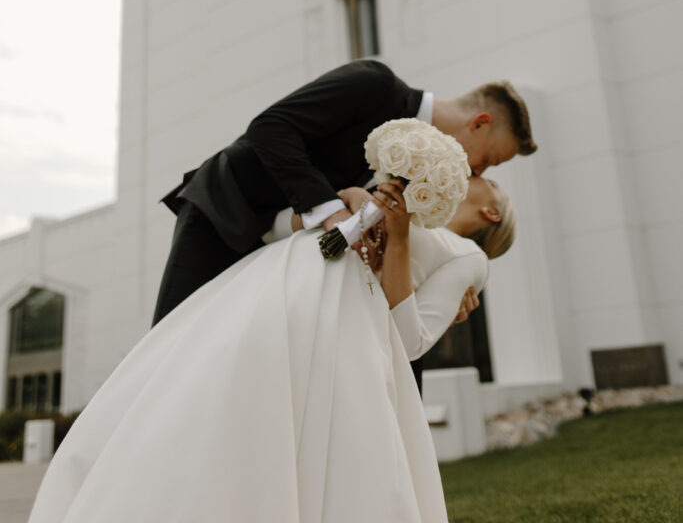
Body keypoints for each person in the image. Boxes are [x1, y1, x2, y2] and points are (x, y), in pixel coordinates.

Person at [28, 172, 516, 523]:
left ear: (491, 210)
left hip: (333, 321)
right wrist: (351, 204)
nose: (475, 174)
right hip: (272, 286)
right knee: (203, 400)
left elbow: (409, 340)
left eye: (487, 180)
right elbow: (304, 226)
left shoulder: (469, 258)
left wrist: (401, 234)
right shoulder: (396, 194)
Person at [152, 58, 535, 325]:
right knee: (165, 356)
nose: (475, 172)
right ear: (480, 123)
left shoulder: (423, 182)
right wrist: (331, 209)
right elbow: (271, 127)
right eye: (487, 161)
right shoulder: (376, 85)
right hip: (225, 215)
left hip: (279, 261)